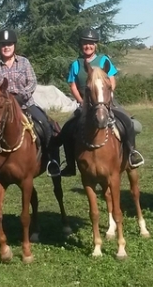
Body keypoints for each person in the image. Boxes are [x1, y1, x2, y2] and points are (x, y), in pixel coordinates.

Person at [0, 29, 60, 183]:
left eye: (9, 44)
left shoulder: (24, 62)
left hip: (25, 104)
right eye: (3, 45)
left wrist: (22, 96)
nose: (6, 47)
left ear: (14, 45)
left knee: (46, 125)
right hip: (2, 109)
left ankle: (51, 162)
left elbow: (32, 82)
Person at [58, 28, 144, 177]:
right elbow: (72, 85)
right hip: (86, 104)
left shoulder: (104, 60)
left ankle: (131, 153)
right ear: (81, 45)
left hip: (106, 100)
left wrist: (106, 98)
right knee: (67, 129)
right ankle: (71, 164)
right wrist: (80, 100)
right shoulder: (76, 64)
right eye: (85, 43)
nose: (88, 46)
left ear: (95, 45)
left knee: (127, 122)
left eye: (91, 43)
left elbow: (112, 80)